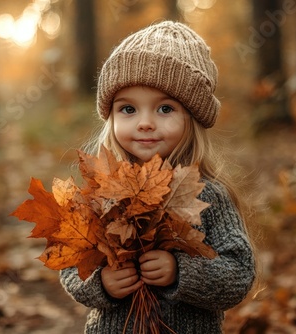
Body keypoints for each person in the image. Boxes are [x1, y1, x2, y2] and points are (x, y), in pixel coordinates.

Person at [60, 20, 255, 334]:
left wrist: (181, 272)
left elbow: (240, 273)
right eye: (128, 109)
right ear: (110, 116)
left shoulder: (208, 195)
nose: (145, 123)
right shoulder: (103, 192)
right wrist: (101, 284)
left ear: (191, 118)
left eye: (165, 109)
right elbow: (71, 266)